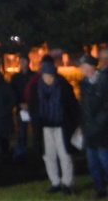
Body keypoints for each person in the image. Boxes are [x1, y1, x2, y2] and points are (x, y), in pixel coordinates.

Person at [35, 61, 79, 195]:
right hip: (46, 127)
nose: (47, 78)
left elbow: (73, 106)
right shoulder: (39, 87)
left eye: (49, 75)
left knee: (64, 155)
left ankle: (67, 183)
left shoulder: (63, 87)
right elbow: (36, 106)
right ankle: (55, 181)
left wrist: (76, 123)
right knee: (49, 156)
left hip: (61, 126)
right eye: (44, 75)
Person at [78, 54, 107, 199]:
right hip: (89, 130)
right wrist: (83, 126)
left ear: (90, 67)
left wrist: (98, 124)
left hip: (102, 130)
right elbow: (83, 107)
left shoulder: (103, 81)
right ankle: (99, 188)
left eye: (82, 67)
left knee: (104, 160)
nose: (81, 70)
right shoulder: (84, 83)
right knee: (93, 163)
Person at [11, 59, 33, 163]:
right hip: (21, 107)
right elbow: (13, 92)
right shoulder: (16, 77)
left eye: (25, 62)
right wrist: (19, 103)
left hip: (32, 107)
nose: (23, 64)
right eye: (21, 62)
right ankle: (22, 151)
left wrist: (30, 103)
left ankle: (38, 149)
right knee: (22, 130)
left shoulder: (33, 76)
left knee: (36, 130)